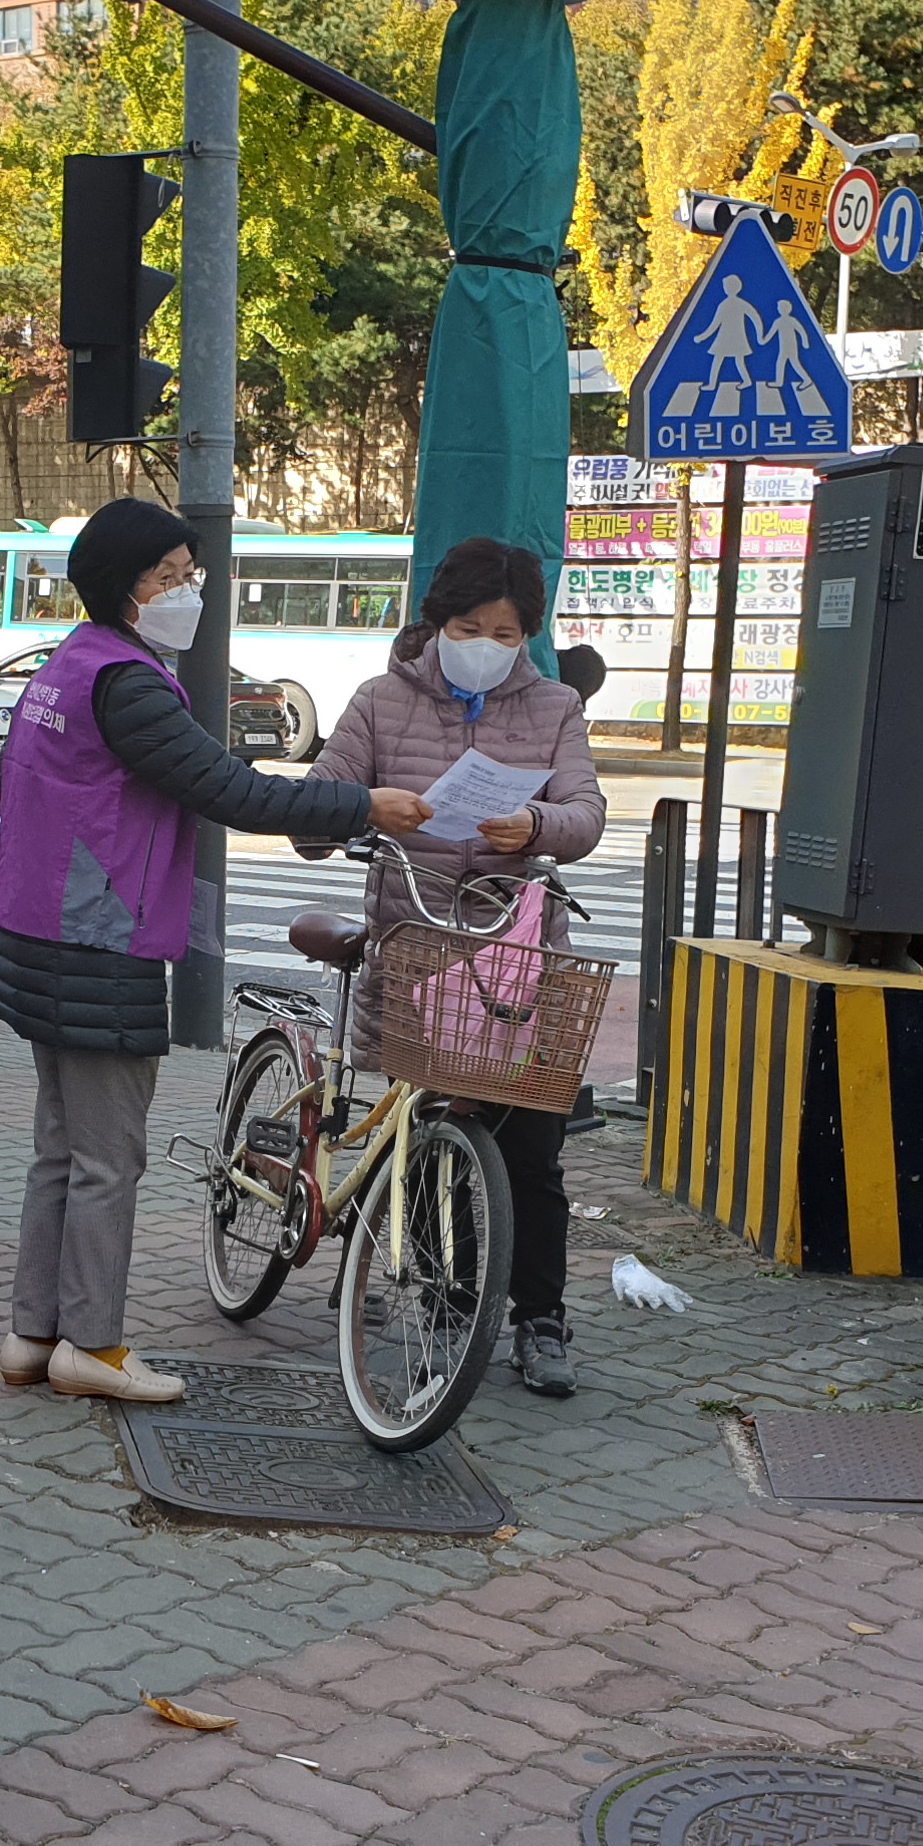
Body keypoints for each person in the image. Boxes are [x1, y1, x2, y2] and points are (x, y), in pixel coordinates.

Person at [0, 499, 423, 1405]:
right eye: (170, 577)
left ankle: (33, 1335)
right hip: (98, 942)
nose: (189, 589)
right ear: (125, 589)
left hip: (39, 930)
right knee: (109, 1159)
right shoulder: (129, 684)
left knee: (62, 1152)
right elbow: (230, 789)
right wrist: (362, 807)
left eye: (192, 573)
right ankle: (94, 1350)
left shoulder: (63, 670)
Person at [303, 538, 607, 1396]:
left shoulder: (551, 706)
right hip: (419, 945)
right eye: (470, 626)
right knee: (419, 1126)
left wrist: (537, 829)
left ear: (529, 636)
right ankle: (441, 1291)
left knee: (534, 1150)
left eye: (506, 631)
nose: (486, 643)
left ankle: (540, 1319)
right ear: (437, 622)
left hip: (517, 961)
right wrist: (359, 807)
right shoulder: (379, 701)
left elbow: (585, 810)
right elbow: (316, 811)